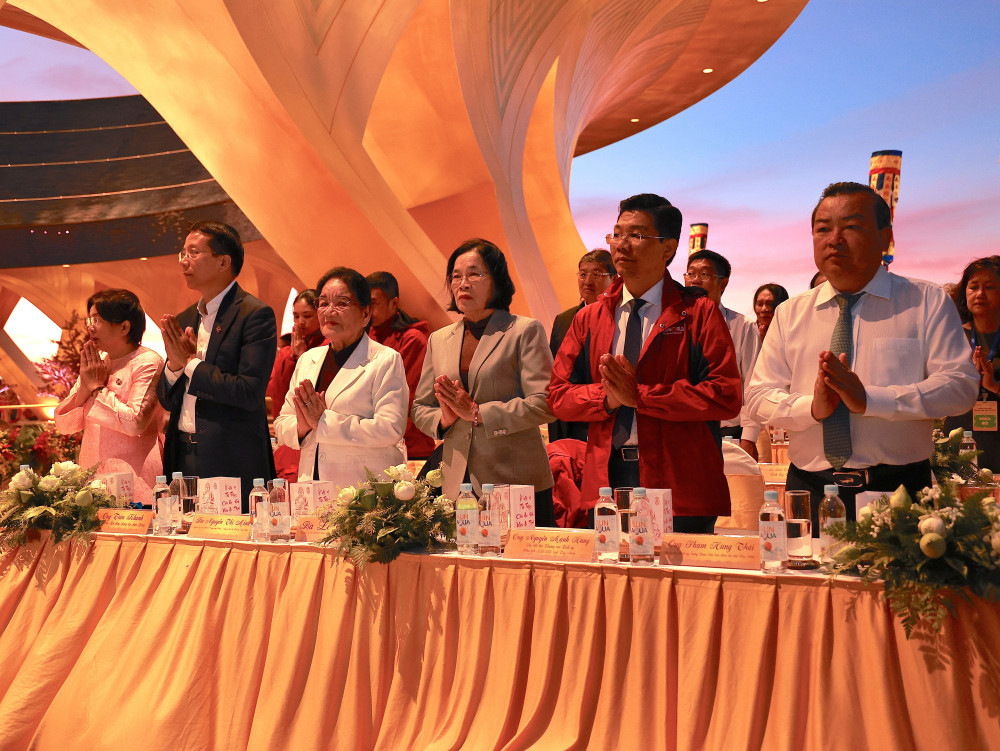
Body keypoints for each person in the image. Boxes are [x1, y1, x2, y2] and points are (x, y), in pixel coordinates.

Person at [746, 182, 978, 533]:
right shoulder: (790, 313)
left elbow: (960, 387)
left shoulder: (926, 301)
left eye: (851, 226)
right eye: (823, 229)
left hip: (899, 490)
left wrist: (870, 399)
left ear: (885, 237)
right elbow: (758, 396)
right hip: (809, 488)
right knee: (803, 571)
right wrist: (812, 408)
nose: (834, 239)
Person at [548, 194, 742, 533]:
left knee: (679, 569)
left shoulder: (699, 313)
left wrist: (641, 397)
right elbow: (558, 397)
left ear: (668, 248)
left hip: (680, 484)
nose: (621, 245)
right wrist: (607, 398)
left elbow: (725, 395)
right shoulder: (589, 318)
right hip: (607, 481)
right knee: (609, 569)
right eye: (616, 234)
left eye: (636, 235)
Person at [412, 239, 556, 525]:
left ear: (497, 280)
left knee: (515, 555)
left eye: (474, 274)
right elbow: (420, 408)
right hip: (456, 480)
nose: (463, 284)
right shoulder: (439, 339)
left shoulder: (524, 330)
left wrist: (478, 413)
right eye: (456, 276)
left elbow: (545, 403)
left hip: (513, 477)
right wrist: (444, 419)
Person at [157, 221, 277, 511]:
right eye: (183, 253)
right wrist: (174, 366)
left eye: (193, 253)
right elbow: (167, 400)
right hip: (182, 455)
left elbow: (248, 391)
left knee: (232, 537)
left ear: (223, 262)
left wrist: (190, 363)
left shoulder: (254, 314)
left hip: (229, 457)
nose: (184, 261)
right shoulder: (185, 318)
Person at [273, 268, 408, 486]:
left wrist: (323, 421)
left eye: (342, 303)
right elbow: (281, 423)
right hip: (311, 484)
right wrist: (301, 426)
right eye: (323, 303)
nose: (329, 311)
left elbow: (390, 428)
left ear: (365, 313)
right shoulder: (308, 359)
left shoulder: (385, 359)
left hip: (363, 488)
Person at [54, 289, 164, 505]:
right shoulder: (98, 362)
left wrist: (97, 388)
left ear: (124, 327)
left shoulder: (148, 362)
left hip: (134, 478)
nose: (90, 327)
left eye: (97, 320)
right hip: (92, 477)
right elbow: (64, 425)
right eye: (90, 320)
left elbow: (135, 423)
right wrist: (85, 388)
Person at [685, 249, 762, 459]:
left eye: (704, 274)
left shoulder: (743, 326)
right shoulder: (674, 325)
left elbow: (752, 384)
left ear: (723, 283)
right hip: (683, 431)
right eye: (690, 273)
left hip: (728, 435)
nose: (695, 280)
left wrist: (749, 438)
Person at [548, 249, 617, 442]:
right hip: (570, 420)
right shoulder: (564, 320)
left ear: (614, 278)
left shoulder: (620, 318)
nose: (588, 281)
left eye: (597, 274)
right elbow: (554, 376)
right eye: (583, 274)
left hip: (607, 416)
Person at [366, 271, 436, 460]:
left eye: (373, 303)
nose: (367, 310)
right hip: (371, 440)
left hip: (410, 445)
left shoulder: (412, 339)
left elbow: (408, 398)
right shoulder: (364, 337)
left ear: (394, 303)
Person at [943, 256, 1000, 471]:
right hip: (961, 439)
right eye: (973, 287)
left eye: (990, 287)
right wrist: (965, 384)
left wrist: (993, 385)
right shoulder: (950, 337)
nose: (980, 294)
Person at [267, 289, 324, 481]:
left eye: (307, 316)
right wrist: (292, 358)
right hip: (292, 431)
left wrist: (302, 357)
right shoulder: (286, 352)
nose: (300, 322)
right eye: (296, 316)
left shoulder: (327, 347)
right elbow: (278, 396)